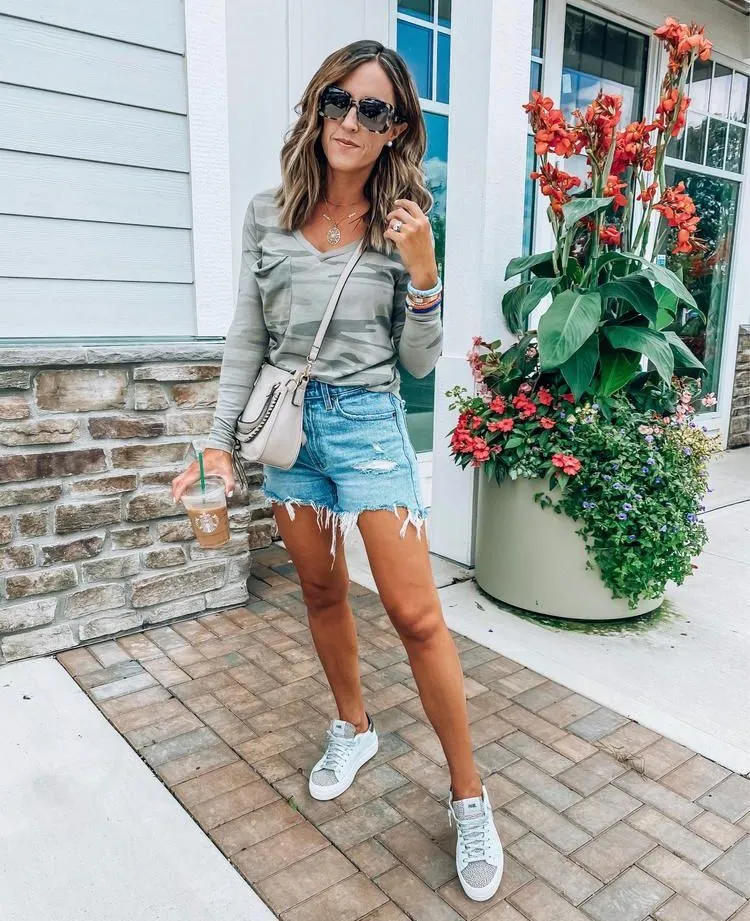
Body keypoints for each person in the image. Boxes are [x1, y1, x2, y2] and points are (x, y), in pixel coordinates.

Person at [172, 39, 503, 902]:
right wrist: (215, 441)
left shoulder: (404, 227)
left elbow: (420, 363)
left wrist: (424, 275)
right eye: (338, 101)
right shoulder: (269, 213)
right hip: (291, 435)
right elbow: (248, 337)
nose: (351, 120)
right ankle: (354, 726)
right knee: (321, 591)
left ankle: (469, 794)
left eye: (373, 109)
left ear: (395, 130)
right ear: (318, 107)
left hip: (369, 430)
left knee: (416, 616)